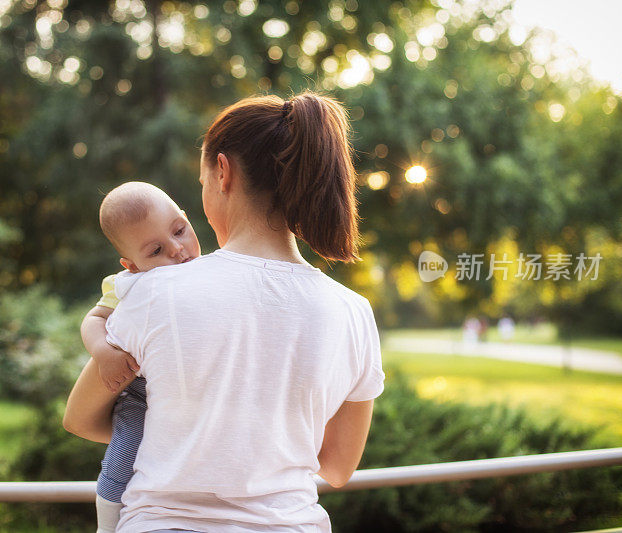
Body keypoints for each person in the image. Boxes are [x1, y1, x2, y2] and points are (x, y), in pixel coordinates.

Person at [64, 92, 385, 532]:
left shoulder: (153, 292)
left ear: (222, 172)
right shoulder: (355, 312)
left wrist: (184, 432)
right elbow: (337, 467)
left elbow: (80, 417)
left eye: (200, 184)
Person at [77, 181, 202, 533]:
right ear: (131, 265)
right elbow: (94, 319)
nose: (178, 249)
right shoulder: (126, 286)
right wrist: (103, 352)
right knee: (121, 459)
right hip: (139, 394)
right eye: (156, 250)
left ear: (186, 218)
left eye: (180, 230)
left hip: (191, 394)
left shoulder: (211, 270)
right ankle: (106, 524)